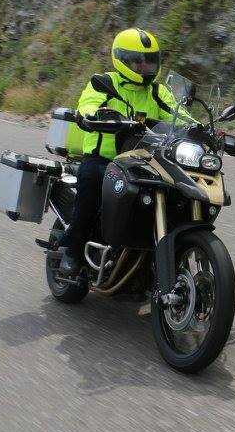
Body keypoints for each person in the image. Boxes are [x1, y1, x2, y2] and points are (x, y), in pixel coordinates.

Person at [59, 27, 183, 276]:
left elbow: (179, 115)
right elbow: (88, 104)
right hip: (104, 160)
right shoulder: (104, 83)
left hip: (145, 163)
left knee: (177, 190)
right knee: (92, 181)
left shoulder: (157, 91)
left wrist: (201, 129)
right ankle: (72, 250)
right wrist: (92, 115)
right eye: (138, 61)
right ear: (122, 60)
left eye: (149, 61)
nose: (144, 66)